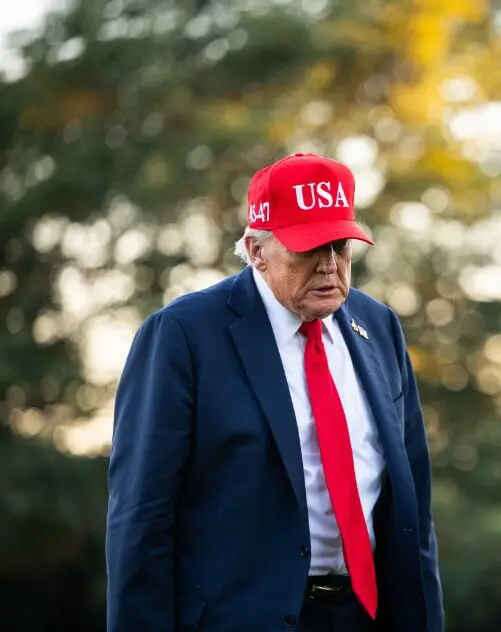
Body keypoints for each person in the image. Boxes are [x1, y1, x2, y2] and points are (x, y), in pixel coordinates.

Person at [106, 152, 444, 632]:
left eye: (341, 247)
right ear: (257, 250)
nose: (330, 266)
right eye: (309, 248)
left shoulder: (378, 325)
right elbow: (141, 517)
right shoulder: (183, 335)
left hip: (365, 615)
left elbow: (413, 504)